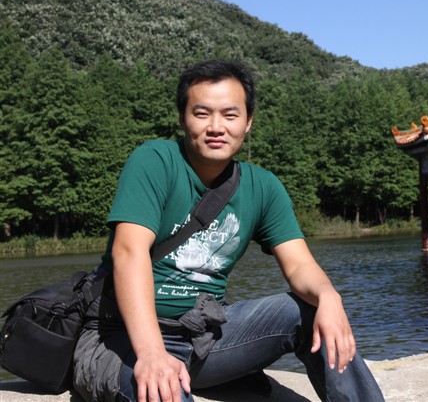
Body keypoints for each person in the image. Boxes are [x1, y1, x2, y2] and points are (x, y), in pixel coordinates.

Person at [72, 60, 385, 402]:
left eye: (230, 115)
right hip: (120, 338)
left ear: (248, 122)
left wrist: (329, 296)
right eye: (202, 113)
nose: (216, 127)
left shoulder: (263, 187)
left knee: (312, 312)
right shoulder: (155, 161)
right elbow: (128, 252)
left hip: (203, 340)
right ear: (183, 118)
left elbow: (299, 265)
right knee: (165, 393)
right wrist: (152, 354)